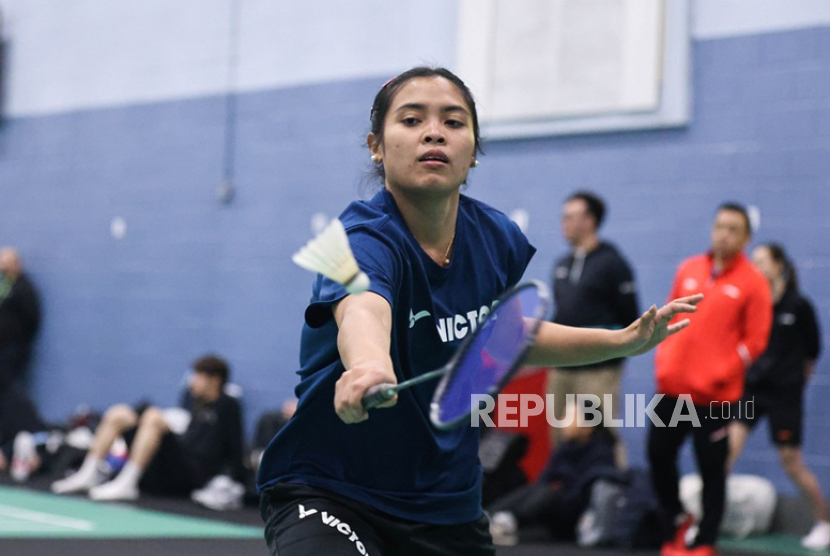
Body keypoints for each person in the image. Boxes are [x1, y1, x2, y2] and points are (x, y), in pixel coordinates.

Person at [256, 66, 702, 556]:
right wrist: (368, 365)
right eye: (411, 120)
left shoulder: (495, 239)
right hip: (333, 491)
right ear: (376, 147)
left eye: (453, 122)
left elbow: (508, 336)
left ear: (472, 152)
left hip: (446, 507)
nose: (433, 132)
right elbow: (363, 309)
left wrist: (621, 340)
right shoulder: (362, 239)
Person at [648, 203, 772, 556]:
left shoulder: (753, 283)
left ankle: (705, 542)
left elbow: (756, 341)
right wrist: (664, 358)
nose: (724, 234)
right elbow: (670, 316)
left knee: (711, 470)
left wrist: (721, 370)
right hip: (672, 390)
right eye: (719, 226)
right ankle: (675, 521)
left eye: (733, 228)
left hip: (715, 398)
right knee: (658, 455)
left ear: (746, 237)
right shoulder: (689, 268)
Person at [727, 243, 829, 551]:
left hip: (785, 394)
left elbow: (812, 349)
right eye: (752, 262)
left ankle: (824, 521)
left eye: (761, 262)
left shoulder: (798, 305)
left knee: (791, 462)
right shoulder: (751, 304)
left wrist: (795, 379)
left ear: (779, 265)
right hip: (753, 389)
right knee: (726, 451)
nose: (755, 267)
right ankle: (708, 520)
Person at [51, 354, 245, 502]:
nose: (193, 381)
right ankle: (87, 474)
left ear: (215, 380)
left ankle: (127, 484)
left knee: (152, 416)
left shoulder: (228, 405)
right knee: (119, 414)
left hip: (193, 473)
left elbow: (235, 445)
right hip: (173, 461)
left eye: (199, 376)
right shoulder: (191, 399)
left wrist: (237, 481)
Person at [547, 191, 639, 467]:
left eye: (570, 217)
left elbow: (630, 318)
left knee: (602, 436)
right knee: (560, 436)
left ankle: (613, 495)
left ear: (590, 221)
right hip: (561, 369)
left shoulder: (613, 263)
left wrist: (608, 354)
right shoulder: (561, 265)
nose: (564, 223)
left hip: (599, 370)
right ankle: (565, 501)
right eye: (563, 217)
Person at [487, 399, 617, 546]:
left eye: (570, 417)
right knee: (535, 489)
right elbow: (543, 479)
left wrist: (559, 492)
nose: (563, 422)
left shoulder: (601, 453)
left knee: (548, 491)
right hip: (553, 506)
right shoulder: (565, 449)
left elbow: (585, 492)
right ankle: (488, 516)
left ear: (589, 425)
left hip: (575, 515)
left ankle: (507, 522)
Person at [0, 247, 41, 389]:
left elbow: (32, 318)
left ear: (17, 264)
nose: (3, 268)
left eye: (7, 264)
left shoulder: (23, 289)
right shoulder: (5, 287)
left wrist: (18, 342)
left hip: (13, 351)